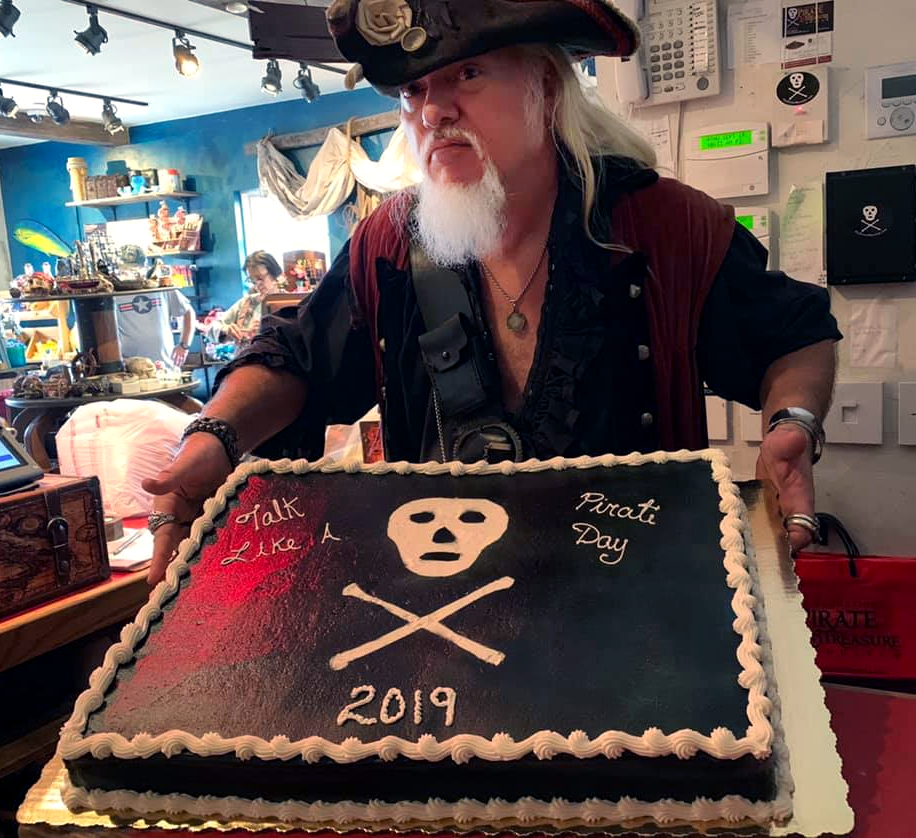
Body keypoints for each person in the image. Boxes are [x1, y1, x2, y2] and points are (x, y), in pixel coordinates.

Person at [143, 0, 840, 585]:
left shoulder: (670, 227)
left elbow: (796, 337)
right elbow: (296, 359)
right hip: (447, 605)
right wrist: (214, 434)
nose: (433, 110)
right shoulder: (385, 243)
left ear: (547, 85)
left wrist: (793, 426)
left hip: (639, 595)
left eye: (467, 74)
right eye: (413, 91)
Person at [202, 252, 286, 346]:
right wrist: (226, 330)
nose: (257, 285)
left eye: (260, 278)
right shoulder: (247, 303)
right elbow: (210, 328)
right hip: (249, 358)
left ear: (275, 274)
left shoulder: (289, 303)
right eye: (252, 280)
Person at [116, 287, 195, 370]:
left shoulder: (160, 286)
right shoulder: (113, 292)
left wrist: (184, 346)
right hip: (132, 370)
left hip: (167, 367)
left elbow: (189, 312)